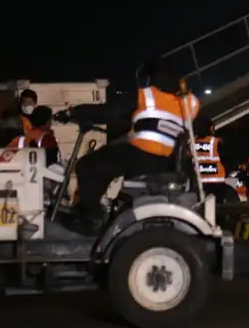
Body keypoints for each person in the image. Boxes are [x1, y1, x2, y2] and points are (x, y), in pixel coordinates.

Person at [57, 59, 200, 229]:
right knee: (106, 164)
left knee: (87, 165)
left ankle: (91, 217)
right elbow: (159, 121)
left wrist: (74, 112)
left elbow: (109, 112)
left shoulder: (146, 96)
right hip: (167, 161)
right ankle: (94, 211)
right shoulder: (188, 104)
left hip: (143, 156)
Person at [193, 116, 232, 200]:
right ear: (210, 128)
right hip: (217, 182)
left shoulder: (193, 143)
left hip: (201, 183)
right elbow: (226, 159)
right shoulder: (215, 142)